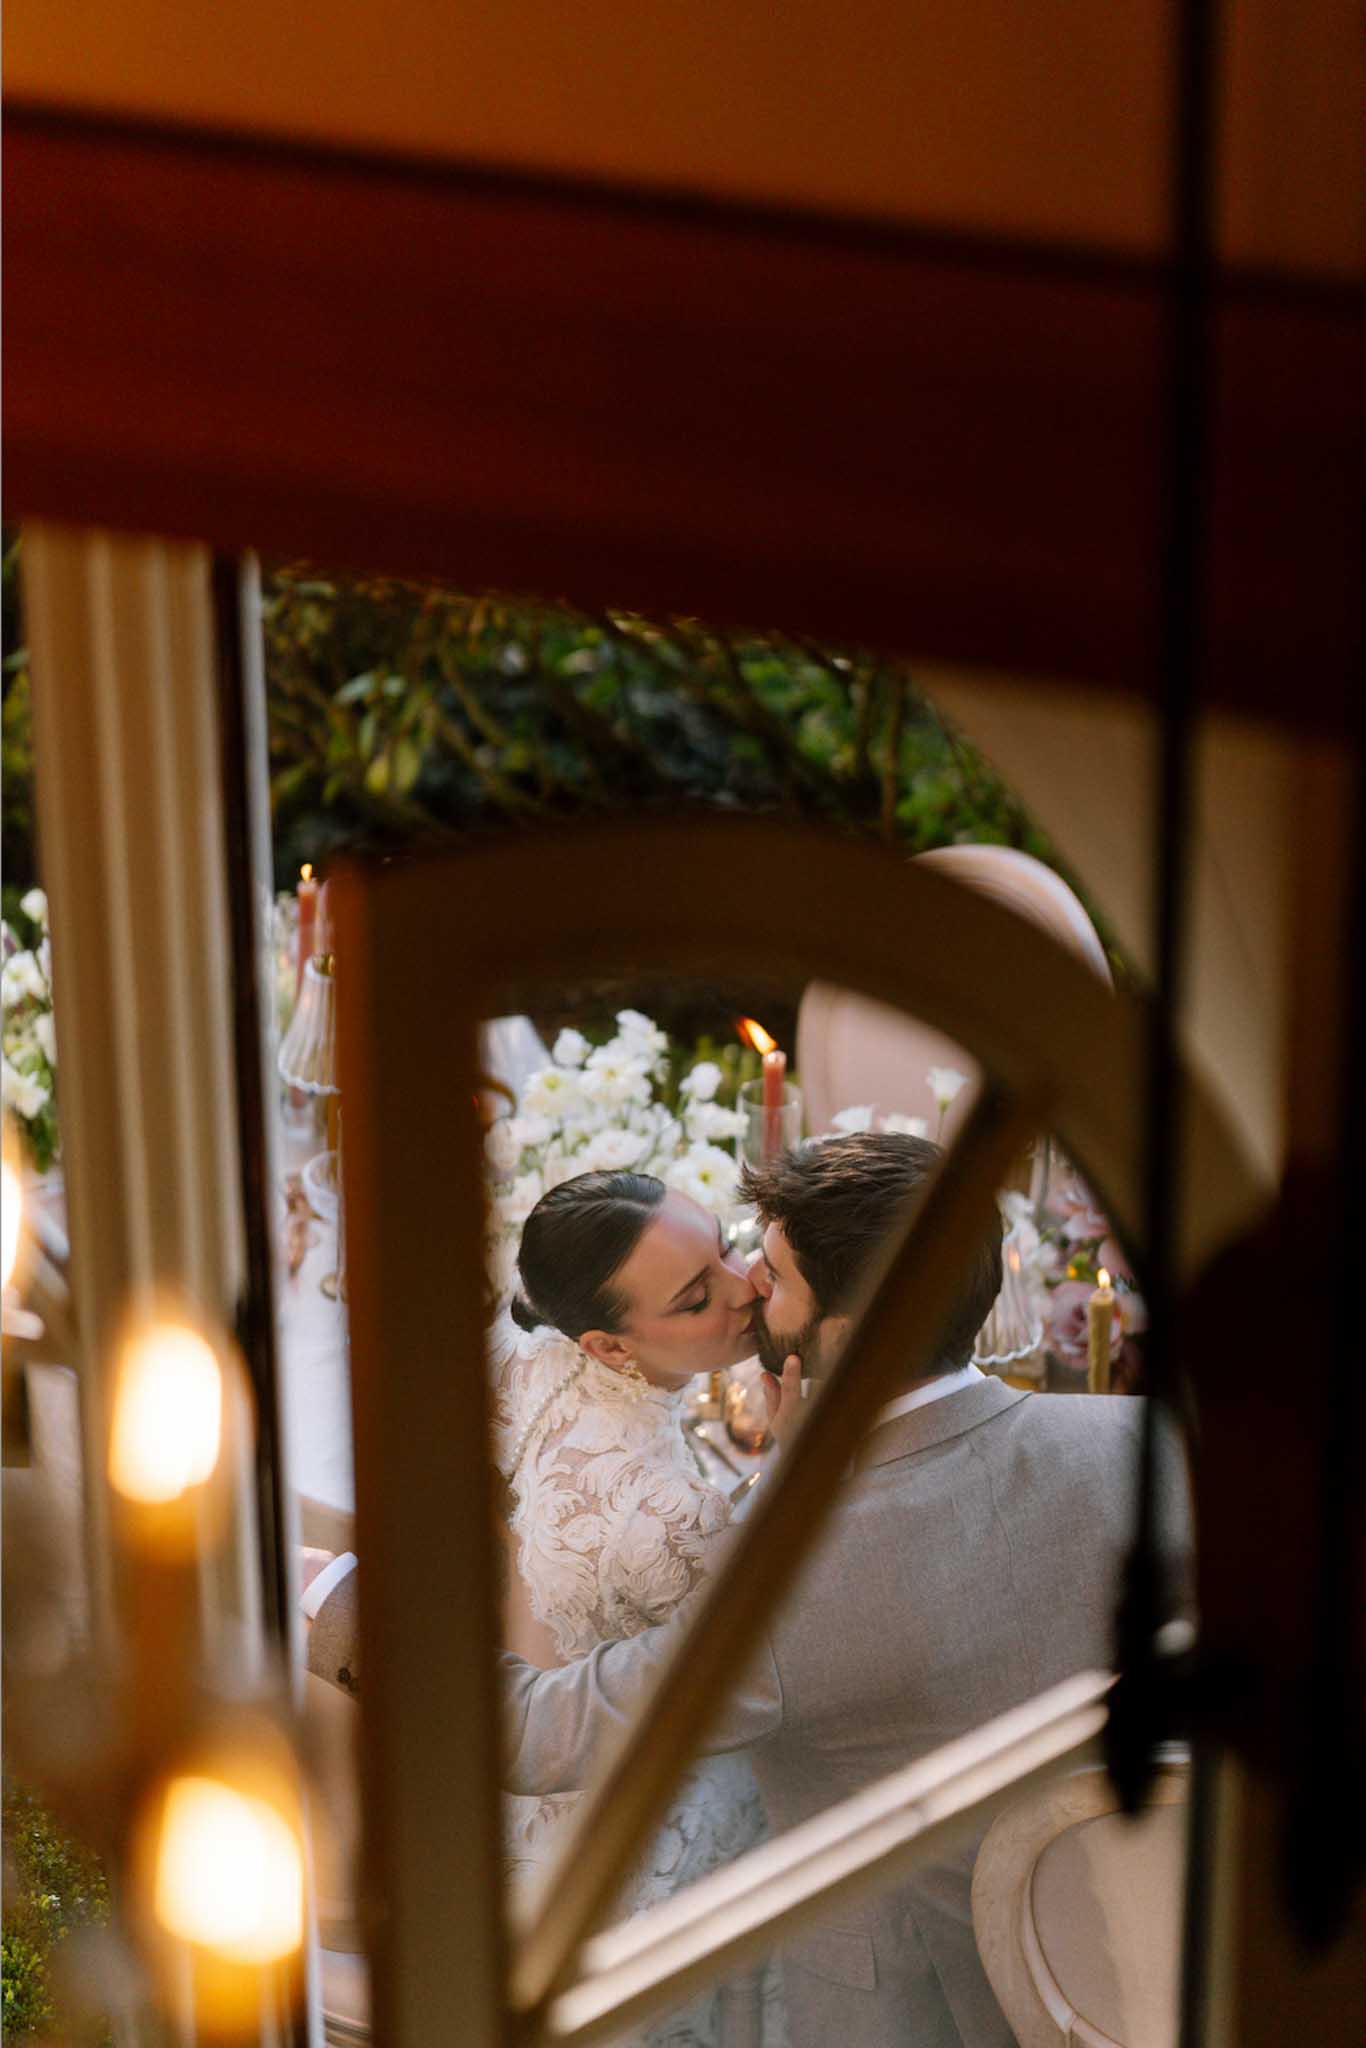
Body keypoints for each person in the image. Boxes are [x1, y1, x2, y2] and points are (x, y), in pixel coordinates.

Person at [310, 1134, 1189, 2047]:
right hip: (1162, 1957)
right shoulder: (1145, 1442)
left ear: (843, 1334)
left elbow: (532, 1732)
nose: (747, 1290)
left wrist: (329, 1597)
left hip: (915, 2016)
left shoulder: (794, 1577)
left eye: (771, 1272)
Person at [311, 1168, 789, 2048]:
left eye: (724, 1244)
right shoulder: (669, 1515)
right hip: (622, 1850)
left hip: (515, 1790)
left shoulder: (519, 1356)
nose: (741, 1286)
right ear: (608, 1346)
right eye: (695, 1299)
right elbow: (776, 1671)